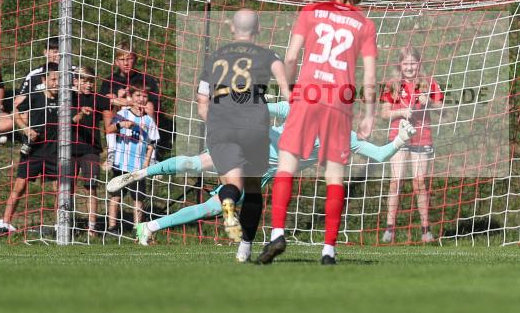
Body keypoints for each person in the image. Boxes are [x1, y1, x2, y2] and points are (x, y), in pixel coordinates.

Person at [109, 102, 416, 258]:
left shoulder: (342, 135)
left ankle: (147, 227)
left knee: (213, 206)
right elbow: (262, 108)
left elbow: (379, 155)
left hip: (259, 173)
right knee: (198, 162)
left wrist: (401, 139)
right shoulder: (298, 109)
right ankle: (139, 173)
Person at [258, 0, 378, 266]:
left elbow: (290, 56)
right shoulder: (364, 24)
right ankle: (328, 250)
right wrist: (368, 114)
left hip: (308, 94)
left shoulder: (310, 11)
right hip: (339, 100)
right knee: (334, 175)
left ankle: (277, 233)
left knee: (286, 164)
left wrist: (288, 89)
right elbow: (370, 78)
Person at [195, 9, 291, 250]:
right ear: (258, 29)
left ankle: (227, 202)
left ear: (232, 28)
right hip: (254, 123)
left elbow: (201, 103)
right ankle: (245, 249)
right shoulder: (268, 55)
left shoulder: (214, 57)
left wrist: (216, 126)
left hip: (221, 124)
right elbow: (287, 90)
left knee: (234, 186)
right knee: (252, 186)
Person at [380, 46, 444, 244]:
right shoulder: (392, 85)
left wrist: (429, 102)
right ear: (400, 64)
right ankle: (389, 229)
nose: (409, 67)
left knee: (419, 183)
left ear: (419, 64)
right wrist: (401, 113)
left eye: (413, 63)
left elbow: (443, 108)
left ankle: (425, 230)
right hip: (398, 137)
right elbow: (384, 114)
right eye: (405, 63)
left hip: (422, 137)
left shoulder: (427, 83)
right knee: (396, 181)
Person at [0, 64, 61, 234]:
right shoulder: (35, 97)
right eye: (53, 79)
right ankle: (5, 222)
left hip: (54, 151)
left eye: (59, 79)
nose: (57, 83)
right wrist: (26, 129)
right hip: (34, 151)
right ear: (44, 80)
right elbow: (15, 112)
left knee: (59, 188)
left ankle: (61, 224)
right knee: (20, 186)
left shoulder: (65, 98)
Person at [106, 81, 159, 234]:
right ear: (131, 97)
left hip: (138, 165)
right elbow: (109, 130)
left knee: (138, 197)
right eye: (138, 95)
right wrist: (122, 125)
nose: (141, 99)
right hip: (121, 163)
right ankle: (112, 227)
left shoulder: (148, 120)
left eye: (144, 96)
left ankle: (138, 227)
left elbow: (151, 144)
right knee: (116, 195)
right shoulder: (123, 114)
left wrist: (147, 162)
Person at [99, 41, 160, 170]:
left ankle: (152, 154)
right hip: (119, 115)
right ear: (116, 62)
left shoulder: (146, 79)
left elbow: (153, 100)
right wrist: (119, 99)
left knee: (149, 105)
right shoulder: (109, 80)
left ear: (135, 60)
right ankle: (111, 151)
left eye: (129, 59)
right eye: (122, 59)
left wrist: (132, 101)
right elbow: (102, 102)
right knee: (108, 102)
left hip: (140, 113)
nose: (126, 63)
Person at [71, 66, 110, 238]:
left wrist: (125, 100)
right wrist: (81, 113)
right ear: (75, 81)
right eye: (84, 81)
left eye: (91, 81)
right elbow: (72, 119)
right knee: (65, 188)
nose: (88, 85)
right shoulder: (69, 97)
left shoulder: (97, 99)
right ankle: (62, 224)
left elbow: (112, 103)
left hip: (91, 150)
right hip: (69, 149)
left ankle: (92, 228)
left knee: (91, 188)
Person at [13, 37, 76, 112]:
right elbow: (17, 103)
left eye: (62, 52)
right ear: (45, 52)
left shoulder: (74, 72)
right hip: (41, 118)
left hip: (69, 116)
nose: (59, 55)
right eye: (55, 52)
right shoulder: (35, 75)